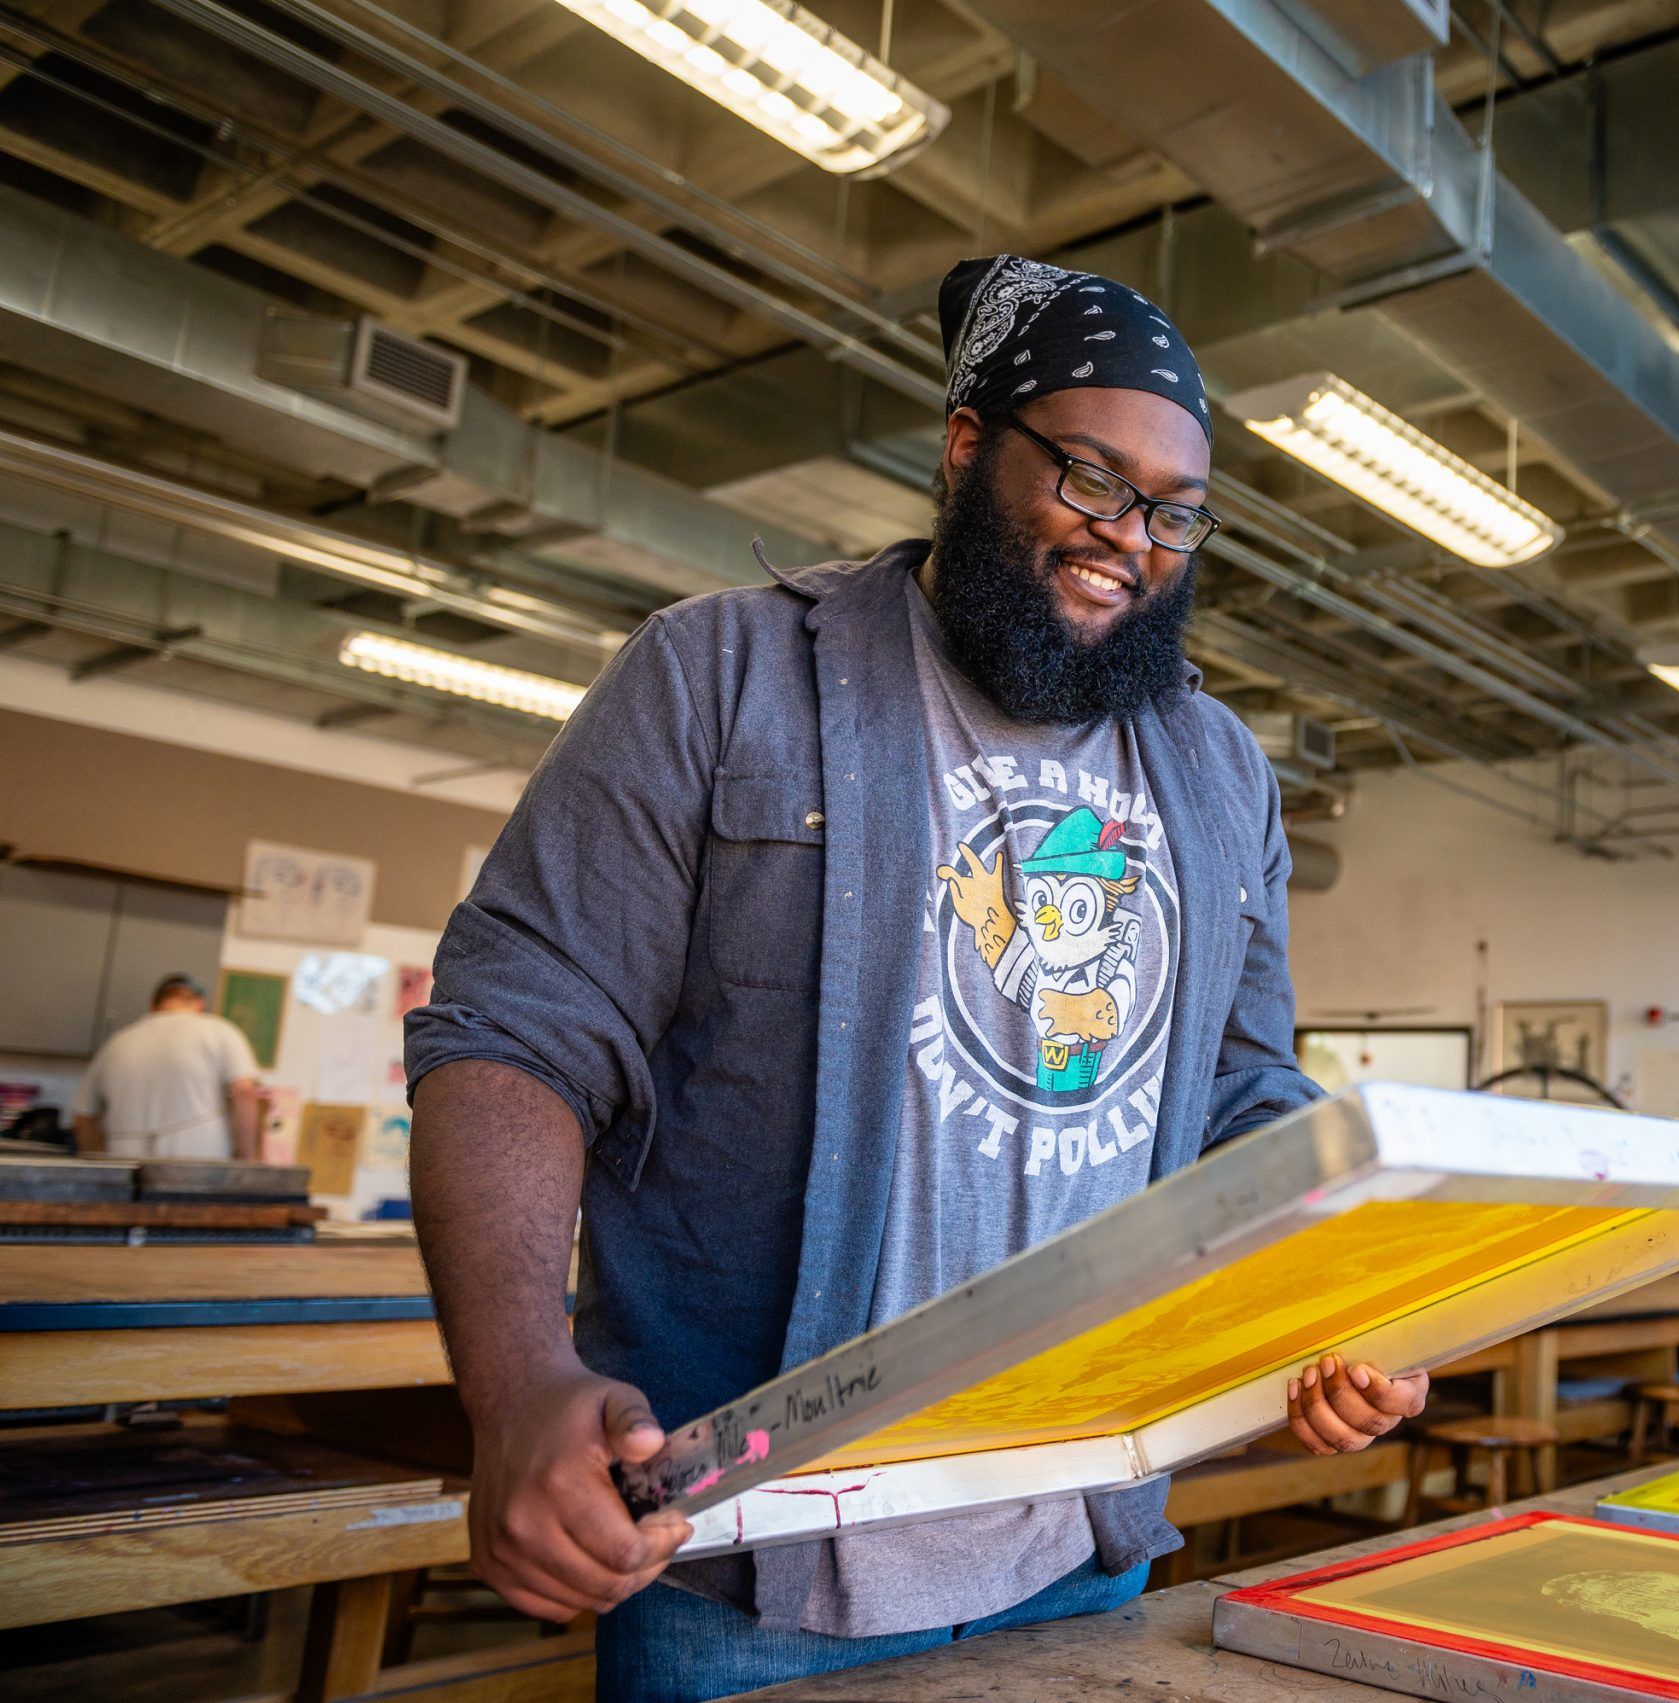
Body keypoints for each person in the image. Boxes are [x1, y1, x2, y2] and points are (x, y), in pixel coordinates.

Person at [404, 254, 1427, 1702]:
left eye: (1176, 510)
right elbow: (518, 1025)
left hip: (1088, 1531)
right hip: (758, 1557)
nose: (1129, 536)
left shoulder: (1216, 768)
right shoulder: (722, 676)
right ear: (965, 442)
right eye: (1089, 475)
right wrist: (516, 1380)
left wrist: (1342, 1296)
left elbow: (1244, 1090)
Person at [72, 973, 260, 1160]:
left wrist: (102, 1169)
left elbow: (83, 1119)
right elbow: (244, 1093)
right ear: (201, 1003)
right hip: (198, 1163)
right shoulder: (221, 1031)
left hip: (127, 1167)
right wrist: (247, 1160)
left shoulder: (116, 1043)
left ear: (153, 1004)